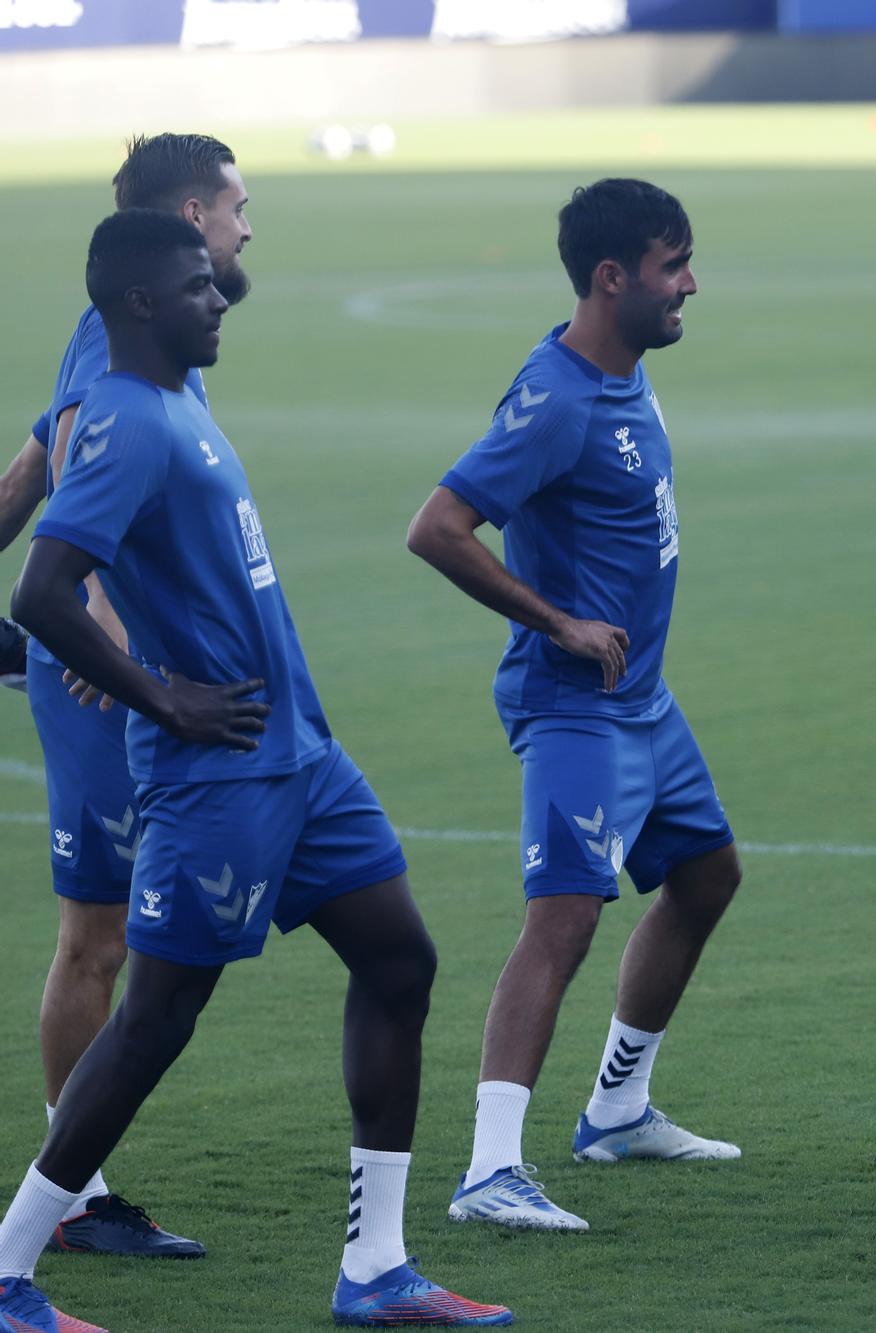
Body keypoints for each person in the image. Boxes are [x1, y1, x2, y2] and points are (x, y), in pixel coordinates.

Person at [0, 209, 510, 1331]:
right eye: (195, 284)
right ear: (139, 303)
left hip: (301, 758)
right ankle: (6, 1268)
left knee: (399, 960)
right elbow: (40, 592)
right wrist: (162, 694)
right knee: (154, 1021)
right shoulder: (130, 422)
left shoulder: (180, 401)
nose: (219, 296)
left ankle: (375, 1269)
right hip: (216, 774)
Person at [408, 178, 742, 1234]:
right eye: (672, 264)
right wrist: (557, 622)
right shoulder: (554, 399)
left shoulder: (621, 373)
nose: (689, 282)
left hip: (642, 699)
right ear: (613, 278)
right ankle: (488, 1169)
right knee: (561, 920)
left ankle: (616, 1109)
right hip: (577, 705)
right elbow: (438, 527)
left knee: (704, 876)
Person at [0, 132, 257, 1262]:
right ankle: (75, 1198)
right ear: (192, 215)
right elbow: (63, 471)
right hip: (103, 683)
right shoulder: (115, 350)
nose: (249, 228)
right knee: (96, 933)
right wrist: (104, 648)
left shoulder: (144, 334)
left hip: (115, 672)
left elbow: (28, 467)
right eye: (238, 209)